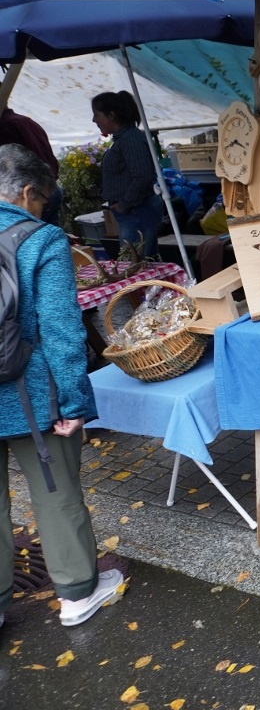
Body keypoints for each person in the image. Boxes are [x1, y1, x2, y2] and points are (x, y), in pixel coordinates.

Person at [0, 144, 124, 628]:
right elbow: (62, 329)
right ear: (29, 192)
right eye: (42, 200)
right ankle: (77, 594)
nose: (41, 209)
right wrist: (74, 400)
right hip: (33, 397)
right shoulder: (43, 240)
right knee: (55, 490)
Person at [92, 90, 164, 257]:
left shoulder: (131, 139)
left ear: (111, 115)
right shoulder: (124, 139)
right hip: (134, 212)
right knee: (140, 261)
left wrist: (125, 203)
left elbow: (143, 176)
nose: (94, 120)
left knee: (134, 263)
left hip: (137, 212)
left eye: (96, 114)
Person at [0, 104, 64, 226]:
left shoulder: (5, 126)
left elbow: (8, 169)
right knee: (51, 235)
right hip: (49, 189)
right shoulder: (26, 121)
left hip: (31, 195)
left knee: (35, 237)